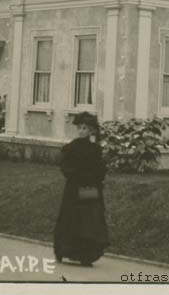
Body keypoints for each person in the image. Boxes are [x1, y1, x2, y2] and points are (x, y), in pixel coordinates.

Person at [54, 112, 109, 266]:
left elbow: (100, 168)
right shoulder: (73, 146)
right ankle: (65, 250)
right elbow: (65, 166)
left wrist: (96, 177)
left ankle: (87, 255)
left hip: (90, 188)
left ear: (92, 130)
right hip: (75, 188)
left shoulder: (95, 148)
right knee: (73, 218)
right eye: (80, 128)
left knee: (90, 219)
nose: (81, 131)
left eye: (85, 128)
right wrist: (76, 176)